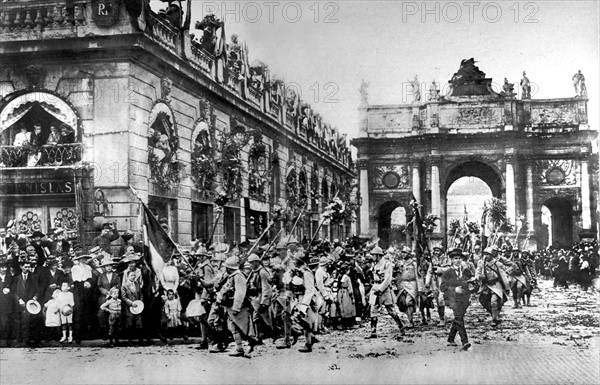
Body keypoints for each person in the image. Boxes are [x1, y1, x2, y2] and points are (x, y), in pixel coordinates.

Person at [216, 256, 258, 357]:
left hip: (238, 308)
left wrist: (236, 307)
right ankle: (239, 348)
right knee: (233, 328)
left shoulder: (238, 276)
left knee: (245, 329)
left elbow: (240, 292)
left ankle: (249, 347)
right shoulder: (232, 276)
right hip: (230, 307)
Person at [438, 248, 474, 351]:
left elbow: (471, 283)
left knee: (458, 318)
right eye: (455, 258)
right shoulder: (448, 272)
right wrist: (454, 289)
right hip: (453, 299)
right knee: (459, 318)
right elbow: (443, 287)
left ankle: (450, 339)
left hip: (464, 299)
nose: (457, 260)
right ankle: (465, 341)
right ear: (451, 260)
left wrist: (471, 286)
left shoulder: (466, 271)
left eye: (459, 258)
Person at [365, 246, 405, 339]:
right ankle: (373, 332)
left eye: (374, 255)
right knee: (373, 309)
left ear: (378, 255)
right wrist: (374, 289)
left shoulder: (387, 264)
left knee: (391, 310)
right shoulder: (375, 265)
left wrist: (380, 289)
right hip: (376, 287)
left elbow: (388, 279)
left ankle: (401, 326)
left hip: (385, 289)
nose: (373, 257)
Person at [476, 247, 509, 326]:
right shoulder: (481, 263)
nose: (486, 256)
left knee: (494, 302)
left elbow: (503, 276)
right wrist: (479, 277)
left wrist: (507, 287)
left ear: (491, 255)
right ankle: (494, 314)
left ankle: (494, 319)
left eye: (487, 254)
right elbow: (477, 273)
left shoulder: (497, 264)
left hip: (496, 284)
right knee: (483, 301)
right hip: (486, 285)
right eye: (485, 254)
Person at [246, 253, 272, 342]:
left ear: (257, 262)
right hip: (255, 298)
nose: (250, 265)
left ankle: (274, 334)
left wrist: (264, 302)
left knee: (267, 320)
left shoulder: (262, 272)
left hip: (261, 298)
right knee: (256, 318)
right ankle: (258, 336)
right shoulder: (254, 272)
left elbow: (266, 288)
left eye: (252, 263)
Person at [397, 248, 421, 328]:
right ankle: (409, 319)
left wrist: (419, 287)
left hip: (412, 284)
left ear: (409, 254)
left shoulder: (414, 264)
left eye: (405, 253)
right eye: (403, 253)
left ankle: (410, 321)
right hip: (403, 284)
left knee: (409, 302)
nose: (403, 254)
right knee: (403, 302)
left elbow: (418, 276)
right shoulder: (401, 263)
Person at [97, 258, 121, 338]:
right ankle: (104, 332)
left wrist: (113, 291)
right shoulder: (101, 276)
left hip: (114, 297)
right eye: (107, 266)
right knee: (102, 314)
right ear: (104, 267)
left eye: (110, 266)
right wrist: (106, 292)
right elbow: (99, 286)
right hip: (104, 297)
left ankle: (114, 333)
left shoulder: (116, 275)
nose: (109, 268)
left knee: (114, 314)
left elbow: (118, 285)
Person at [122, 270, 144, 344]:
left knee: (139, 323)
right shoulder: (124, 286)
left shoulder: (137, 284)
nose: (133, 277)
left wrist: (140, 303)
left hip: (138, 307)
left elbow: (141, 294)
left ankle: (140, 340)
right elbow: (124, 297)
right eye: (131, 275)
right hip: (129, 307)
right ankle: (130, 340)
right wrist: (131, 303)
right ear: (127, 276)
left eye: (134, 275)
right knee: (130, 323)